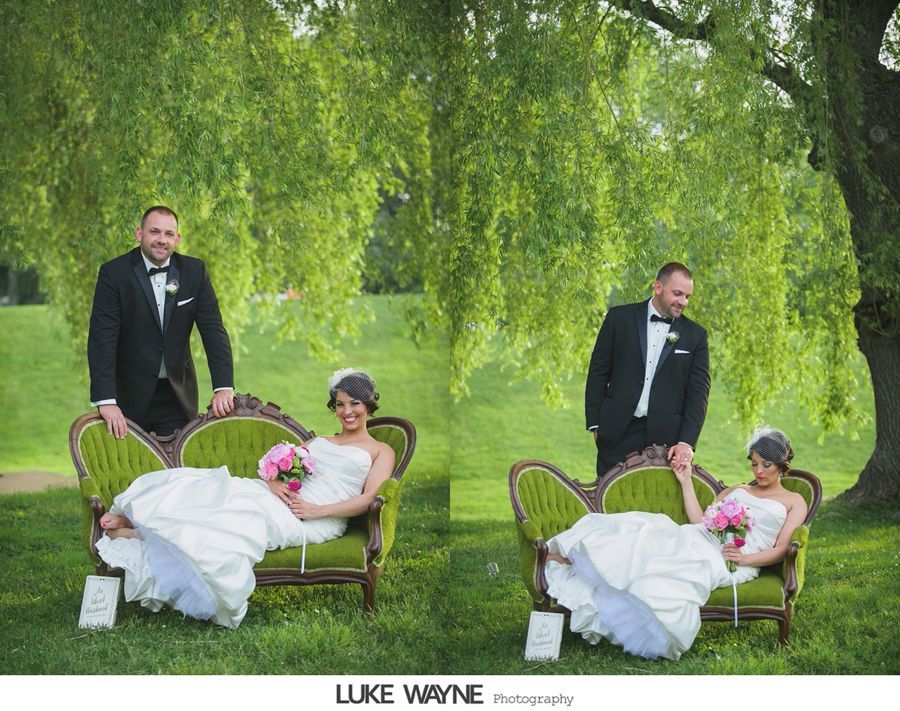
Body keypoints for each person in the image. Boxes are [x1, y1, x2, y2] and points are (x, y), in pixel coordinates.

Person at [94, 369, 395, 628]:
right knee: (215, 487)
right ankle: (135, 516)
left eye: (354, 403)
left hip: (316, 517)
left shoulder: (380, 450)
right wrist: (275, 482)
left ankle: (140, 533)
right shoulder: (320, 441)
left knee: (238, 517)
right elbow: (275, 465)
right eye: (340, 404)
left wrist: (317, 511)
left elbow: (370, 498)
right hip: (281, 497)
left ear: (369, 404)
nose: (347, 411)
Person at [543, 426, 808, 660]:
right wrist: (685, 482)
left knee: (669, 566)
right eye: (754, 464)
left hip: (733, 559)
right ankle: (571, 558)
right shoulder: (740, 490)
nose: (758, 471)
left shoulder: (794, 501)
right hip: (701, 537)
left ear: (782, 464)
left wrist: (743, 559)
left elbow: (782, 550)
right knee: (645, 531)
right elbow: (702, 522)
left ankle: (588, 572)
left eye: (766, 465)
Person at [88, 205, 235, 438]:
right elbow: (102, 340)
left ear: (177, 239)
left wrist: (223, 387)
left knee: (176, 471)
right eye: (154, 232)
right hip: (128, 396)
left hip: (176, 396)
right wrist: (106, 401)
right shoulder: (113, 274)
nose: (161, 240)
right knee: (131, 471)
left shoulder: (195, 272)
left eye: (168, 234)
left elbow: (214, 331)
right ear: (139, 234)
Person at [585, 262, 710, 478]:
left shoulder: (695, 336)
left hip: (666, 442)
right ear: (658, 287)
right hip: (616, 432)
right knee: (610, 504)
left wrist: (686, 442)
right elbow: (598, 372)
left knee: (657, 507)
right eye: (678, 294)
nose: (683, 302)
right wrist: (596, 424)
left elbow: (698, 394)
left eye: (688, 296)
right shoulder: (618, 319)